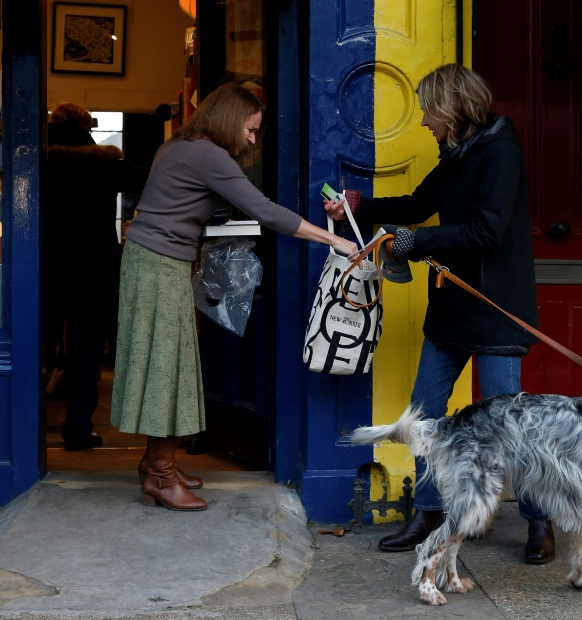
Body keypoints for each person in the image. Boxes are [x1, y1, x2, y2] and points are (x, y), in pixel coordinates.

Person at [324, 63, 554, 564]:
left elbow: (487, 230)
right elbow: (414, 203)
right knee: (424, 414)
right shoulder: (456, 152)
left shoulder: (499, 150)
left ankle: (539, 521)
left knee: (507, 425)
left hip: (495, 308)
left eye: (430, 110)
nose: (425, 121)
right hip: (452, 306)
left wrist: (418, 241)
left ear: (453, 108)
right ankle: (428, 512)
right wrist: (358, 206)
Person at [113, 82, 359, 511]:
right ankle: (162, 475)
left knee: (167, 363)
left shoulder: (178, 145)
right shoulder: (210, 156)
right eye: (250, 129)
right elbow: (266, 210)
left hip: (150, 261)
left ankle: (156, 464)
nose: (251, 139)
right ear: (230, 120)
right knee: (167, 367)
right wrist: (332, 240)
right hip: (158, 266)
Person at [44, 102, 150, 451]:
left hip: (46, 264)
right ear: (86, 126)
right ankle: (77, 430)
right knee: (85, 351)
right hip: (93, 266)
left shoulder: (38, 160)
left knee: (39, 347)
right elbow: (151, 179)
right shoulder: (102, 163)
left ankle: (28, 431)